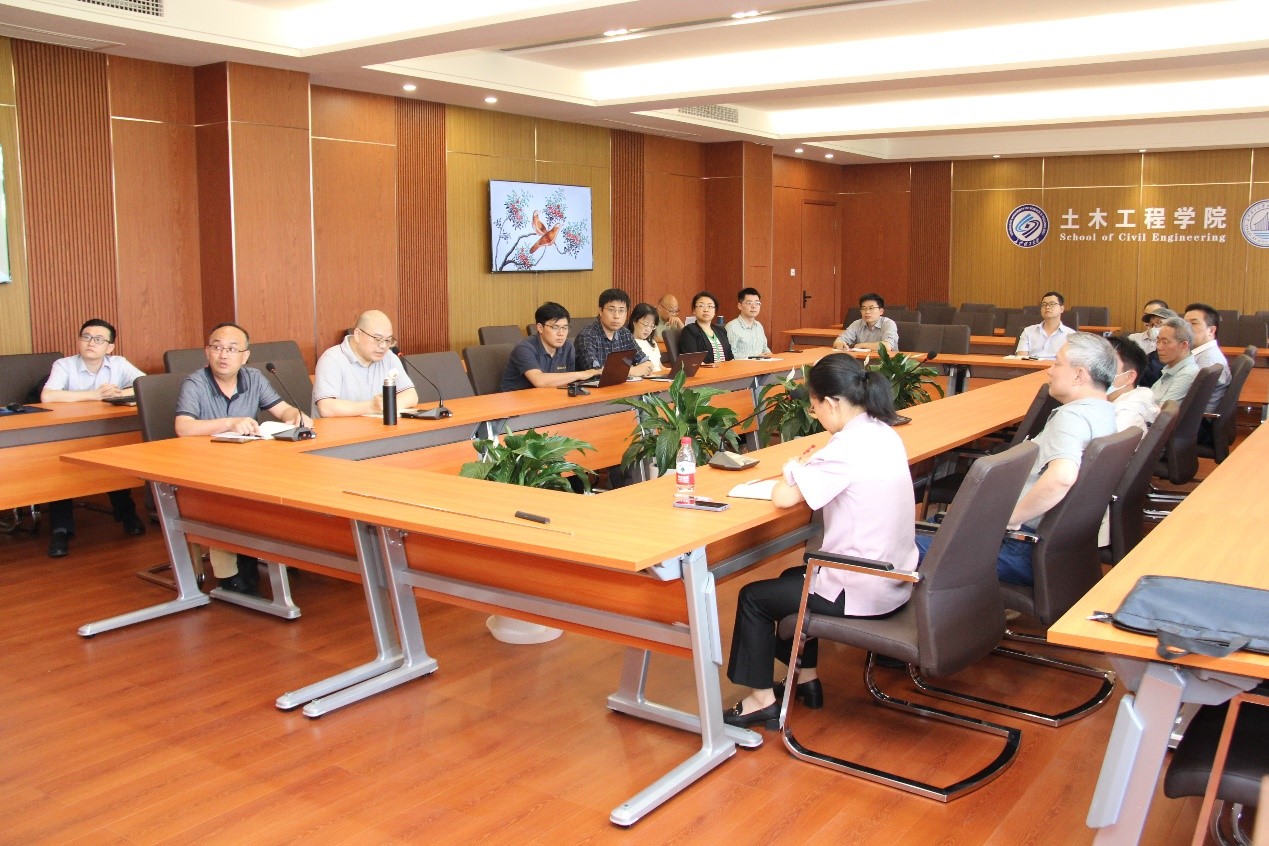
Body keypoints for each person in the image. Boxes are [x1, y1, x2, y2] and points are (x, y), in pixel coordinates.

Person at [723, 353, 917, 729]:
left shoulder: (846, 447)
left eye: (814, 408)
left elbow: (783, 497)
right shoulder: (884, 433)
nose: (815, 416)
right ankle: (805, 680)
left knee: (753, 598)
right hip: (894, 578)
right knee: (789, 580)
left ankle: (760, 701)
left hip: (861, 586)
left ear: (831, 403)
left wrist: (793, 469)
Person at [919, 333, 1117, 585]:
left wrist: (1010, 518)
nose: (1050, 371)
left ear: (1079, 375)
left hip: (1020, 546)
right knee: (935, 524)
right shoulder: (1105, 413)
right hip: (1057, 550)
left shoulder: (1073, 418)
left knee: (903, 546)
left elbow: (1062, 477)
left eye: (1057, 364)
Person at [175, 322, 311, 594]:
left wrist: (295, 417)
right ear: (207, 352)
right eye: (217, 348)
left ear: (245, 356)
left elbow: (282, 409)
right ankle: (229, 573)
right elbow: (183, 427)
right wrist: (228, 423)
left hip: (247, 464)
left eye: (232, 349)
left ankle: (270, 554)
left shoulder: (253, 378)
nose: (223, 355)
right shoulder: (195, 383)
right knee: (226, 498)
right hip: (206, 468)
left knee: (284, 486)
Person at [40, 318, 147, 558]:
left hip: (104, 431)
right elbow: (48, 396)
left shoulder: (118, 363)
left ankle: (128, 515)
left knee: (114, 462)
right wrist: (95, 395)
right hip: (64, 435)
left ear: (110, 347)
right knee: (60, 472)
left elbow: (146, 384)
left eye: (99, 339)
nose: (91, 343)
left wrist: (118, 393)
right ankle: (61, 529)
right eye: (86, 337)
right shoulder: (64, 364)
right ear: (79, 341)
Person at [313, 310, 417, 417]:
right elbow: (326, 408)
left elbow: (411, 396)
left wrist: (385, 405)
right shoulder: (332, 359)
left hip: (375, 426)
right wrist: (371, 407)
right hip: (339, 427)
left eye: (388, 340)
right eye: (378, 339)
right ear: (358, 335)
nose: (383, 346)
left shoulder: (388, 357)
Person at [500, 302, 602, 391]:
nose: (561, 333)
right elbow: (539, 381)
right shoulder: (524, 348)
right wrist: (581, 374)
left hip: (548, 399)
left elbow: (567, 382)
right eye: (555, 327)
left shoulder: (567, 347)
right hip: (515, 402)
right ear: (540, 328)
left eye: (565, 328)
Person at [574, 288, 654, 376]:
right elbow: (594, 372)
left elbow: (647, 363)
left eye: (621, 310)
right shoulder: (586, 336)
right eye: (611, 310)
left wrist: (641, 368)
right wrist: (631, 371)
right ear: (600, 311)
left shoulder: (625, 334)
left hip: (623, 384)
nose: (616, 316)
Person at [1106, 335, 1160, 435]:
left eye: (1108, 367)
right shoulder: (1119, 401)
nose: (1097, 373)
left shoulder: (1125, 417)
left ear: (1130, 376)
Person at [1183, 303, 1230, 413]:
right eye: (1184, 324)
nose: (1185, 329)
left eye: (1193, 323)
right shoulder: (1201, 354)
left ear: (1211, 331)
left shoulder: (1208, 360)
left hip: (1192, 418)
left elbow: (1186, 398)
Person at [1150, 316, 1198, 405]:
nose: (1159, 347)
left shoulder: (1187, 374)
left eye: (1165, 342)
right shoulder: (1171, 367)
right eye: (1158, 341)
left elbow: (1164, 411)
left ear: (1184, 345)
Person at [1015, 291, 1075, 360]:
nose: (1047, 307)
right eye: (1044, 304)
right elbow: (1021, 358)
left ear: (1061, 309)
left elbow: (1072, 361)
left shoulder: (1071, 335)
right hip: (1033, 366)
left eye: (1052, 304)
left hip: (1056, 366)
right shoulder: (1028, 331)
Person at [677, 291, 735, 363]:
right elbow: (693, 360)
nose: (706, 310)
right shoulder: (689, 331)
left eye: (710, 306)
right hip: (704, 370)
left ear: (715, 311)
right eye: (701, 306)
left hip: (726, 369)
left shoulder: (721, 330)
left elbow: (730, 357)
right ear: (694, 310)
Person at [1128, 300, 1173, 387]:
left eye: (1159, 323)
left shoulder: (1172, 348)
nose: (1154, 327)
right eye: (1151, 324)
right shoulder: (1133, 339)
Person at [725, 287, 771, 359]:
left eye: (757, 303)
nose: (754, 306)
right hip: (742, 366)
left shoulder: (759, 326)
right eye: (749, 303)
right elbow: (730, 356)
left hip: (761, 364)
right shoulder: (732, 327)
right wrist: (754, 357)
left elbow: (765, 348)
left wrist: (772, 357)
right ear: (740, 306)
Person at [628, 303, 664, 372]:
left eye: (652, 326)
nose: (648, 329)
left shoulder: (652, 342)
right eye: (645, 324)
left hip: (659, 376)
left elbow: (660, 367)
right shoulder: (627, 343)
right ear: (634, 321)